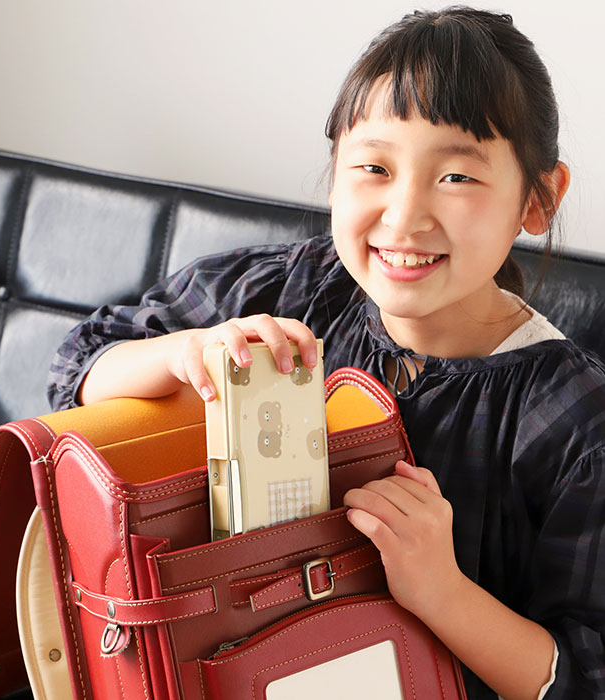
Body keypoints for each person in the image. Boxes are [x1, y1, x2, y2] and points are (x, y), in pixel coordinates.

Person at [47, 7, 605, 699]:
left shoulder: (576, 421)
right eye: (373, 166)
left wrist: (442, 591)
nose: (404, 216)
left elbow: (587, 678)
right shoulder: (285, 288)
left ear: (539, 198)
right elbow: (78, 368)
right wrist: (181, 355)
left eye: (456, 177)